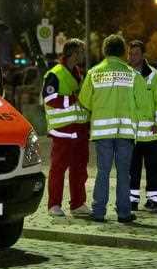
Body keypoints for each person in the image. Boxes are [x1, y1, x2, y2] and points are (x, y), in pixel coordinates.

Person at [78, 34, 148, 223]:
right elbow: (143, 103)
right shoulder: (133, 74)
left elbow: (84, 100)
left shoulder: (94, 73)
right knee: (124, 173)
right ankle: (124, 213)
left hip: (102, 133)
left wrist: (100, 107)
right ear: (124, 52)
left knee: (103, 171)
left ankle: (99, 212)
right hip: (125, 132)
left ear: (105, 51)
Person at [41, 39, 90, 217]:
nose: (83, 55)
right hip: (62, 130)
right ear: (73, 53)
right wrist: (74, 98)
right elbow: (49, 99)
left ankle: (78, 204)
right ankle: (54, 204)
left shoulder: (78, 73)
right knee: (58, 169)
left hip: (79, 130)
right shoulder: (55, 74)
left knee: (79, 169)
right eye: (81, 52)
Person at [127, 40, 157, 213]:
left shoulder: (155, 76)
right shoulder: (125, 75)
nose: (132, 57)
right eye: (130, 53)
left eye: (135, 53)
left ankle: (153, 200)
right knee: (132, 169)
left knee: (153, 169)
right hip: (132, 133)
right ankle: (132, 201)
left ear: (143, 55)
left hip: (151, 133)